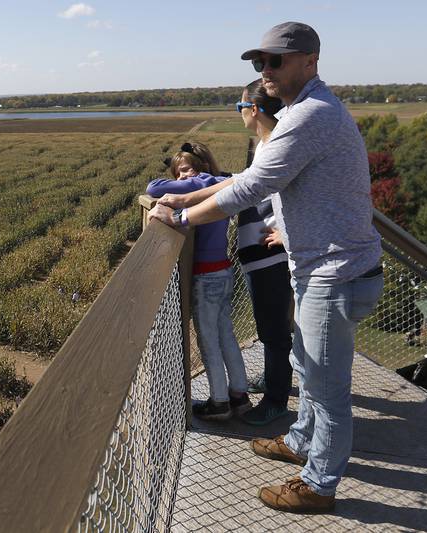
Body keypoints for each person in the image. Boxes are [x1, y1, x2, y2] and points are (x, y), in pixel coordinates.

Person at [148, 21, 383, 513]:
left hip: (334, 274)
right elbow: (253, 175)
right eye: (260, 62)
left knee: (326, 385)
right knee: (306, 365)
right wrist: (186, 192)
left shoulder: (310, 115)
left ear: (310, 61)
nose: (265, 71)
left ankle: (319, 484)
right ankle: (300, 441)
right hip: (324, 269)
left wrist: (182, 215)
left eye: (275, 61)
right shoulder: (308, 111)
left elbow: (249, 190)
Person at [172, 80, 294, 426]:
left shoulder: (276, 145)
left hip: (269, 255)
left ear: (253, 110)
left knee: (272, 331)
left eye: (240, 107)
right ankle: (268, 385)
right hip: (258, 255)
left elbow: (244, 190)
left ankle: (274, 400)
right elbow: (241, 181)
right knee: (269, 328)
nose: (239, 113)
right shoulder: (268, 144)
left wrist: (182, 211)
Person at [146, 142, 251, 421]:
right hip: (223, 271)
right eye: (178, 173)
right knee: (225, 335)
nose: (182, 177)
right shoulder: (220, 182)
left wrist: (184, 181)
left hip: (206, 276)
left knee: (207, 341)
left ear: (200, 168)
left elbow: (153, 189)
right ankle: (239, 395)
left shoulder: (199, 183)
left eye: (185, 169)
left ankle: (219, 402)